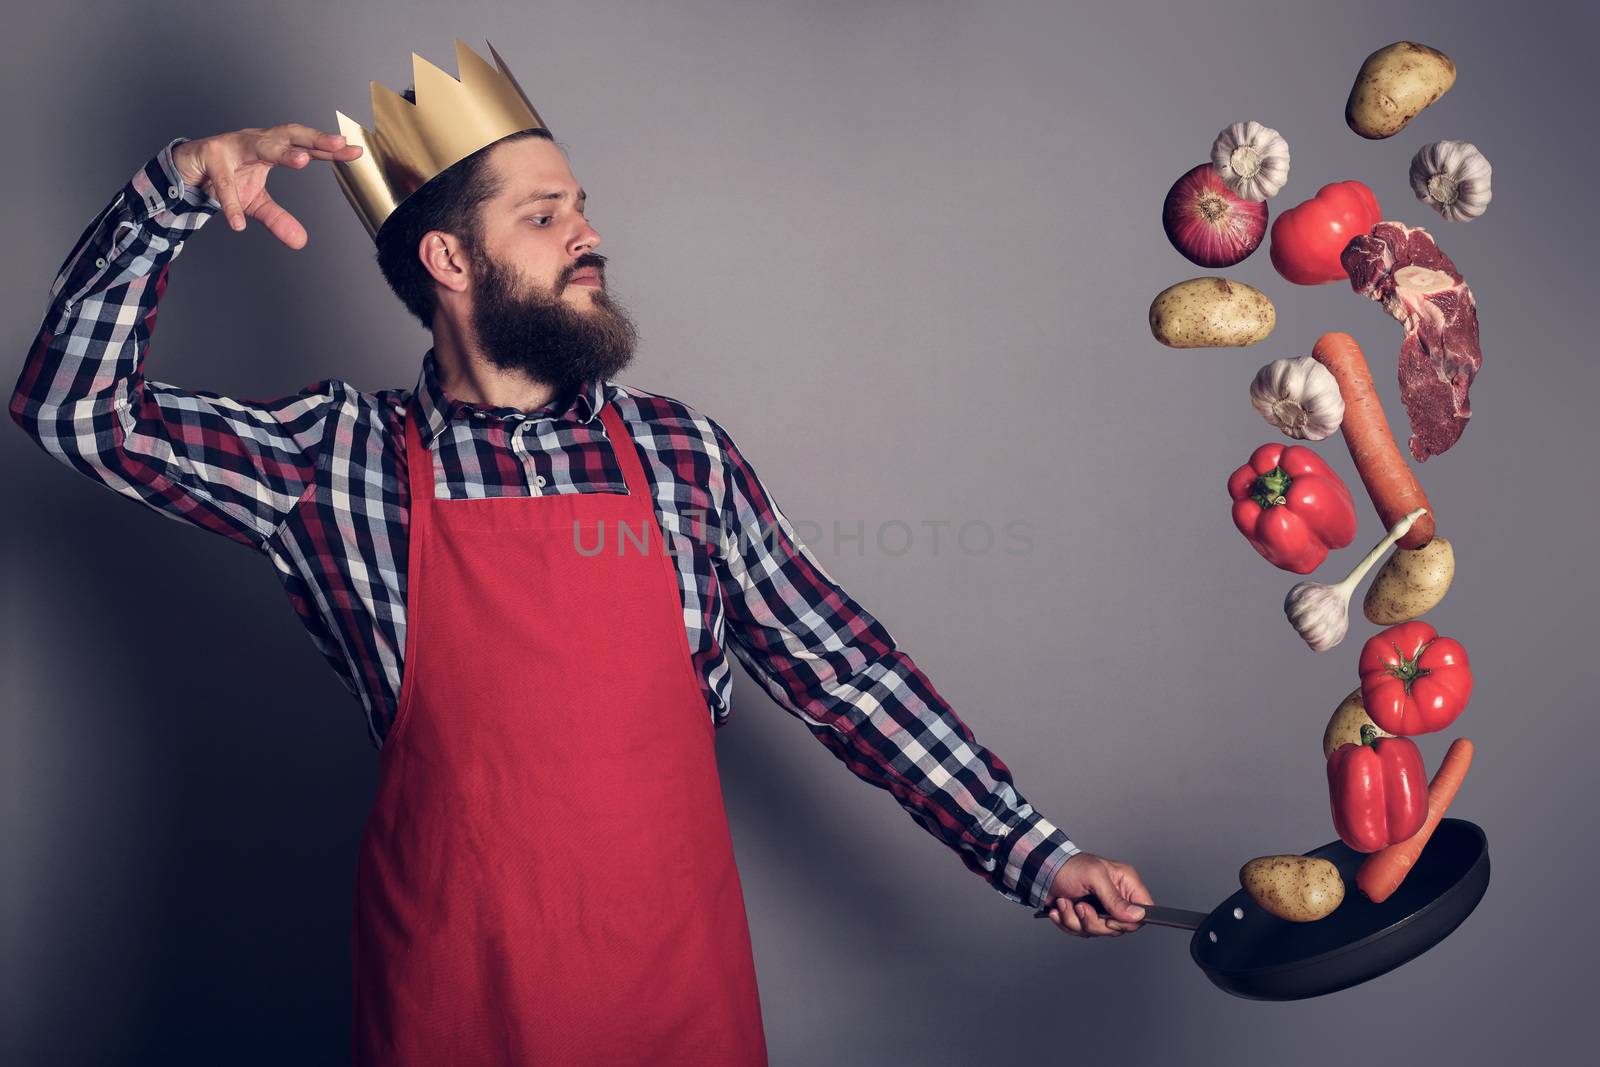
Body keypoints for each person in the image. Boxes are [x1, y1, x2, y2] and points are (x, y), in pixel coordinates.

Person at [11, 40, 1151, 1067]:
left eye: (582, 207)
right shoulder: (334, 459)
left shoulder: (677, 456)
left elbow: (841, 670)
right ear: (452, 261)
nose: (589, 233)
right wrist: (169, 196)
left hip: (678, 1001)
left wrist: (1030, 851)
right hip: (454, 1007)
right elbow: (74, 410)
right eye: (546, 214)